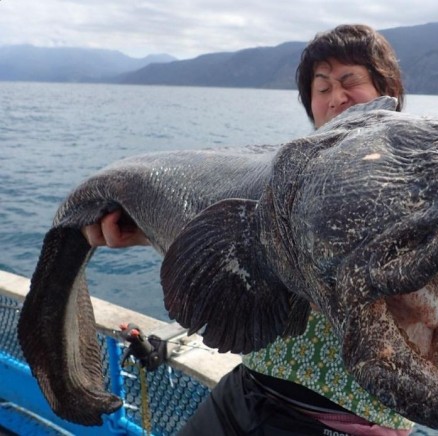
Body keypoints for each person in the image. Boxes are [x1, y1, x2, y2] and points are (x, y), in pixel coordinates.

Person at [84, 24, 412, 435]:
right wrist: (147, 231)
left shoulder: (416, 184)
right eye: (322, 87)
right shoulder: (288, 183)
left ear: (389, 90)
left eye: (350, 82)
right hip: (249, 389)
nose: (335, 99)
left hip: (341, 421)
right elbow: (249, 258)